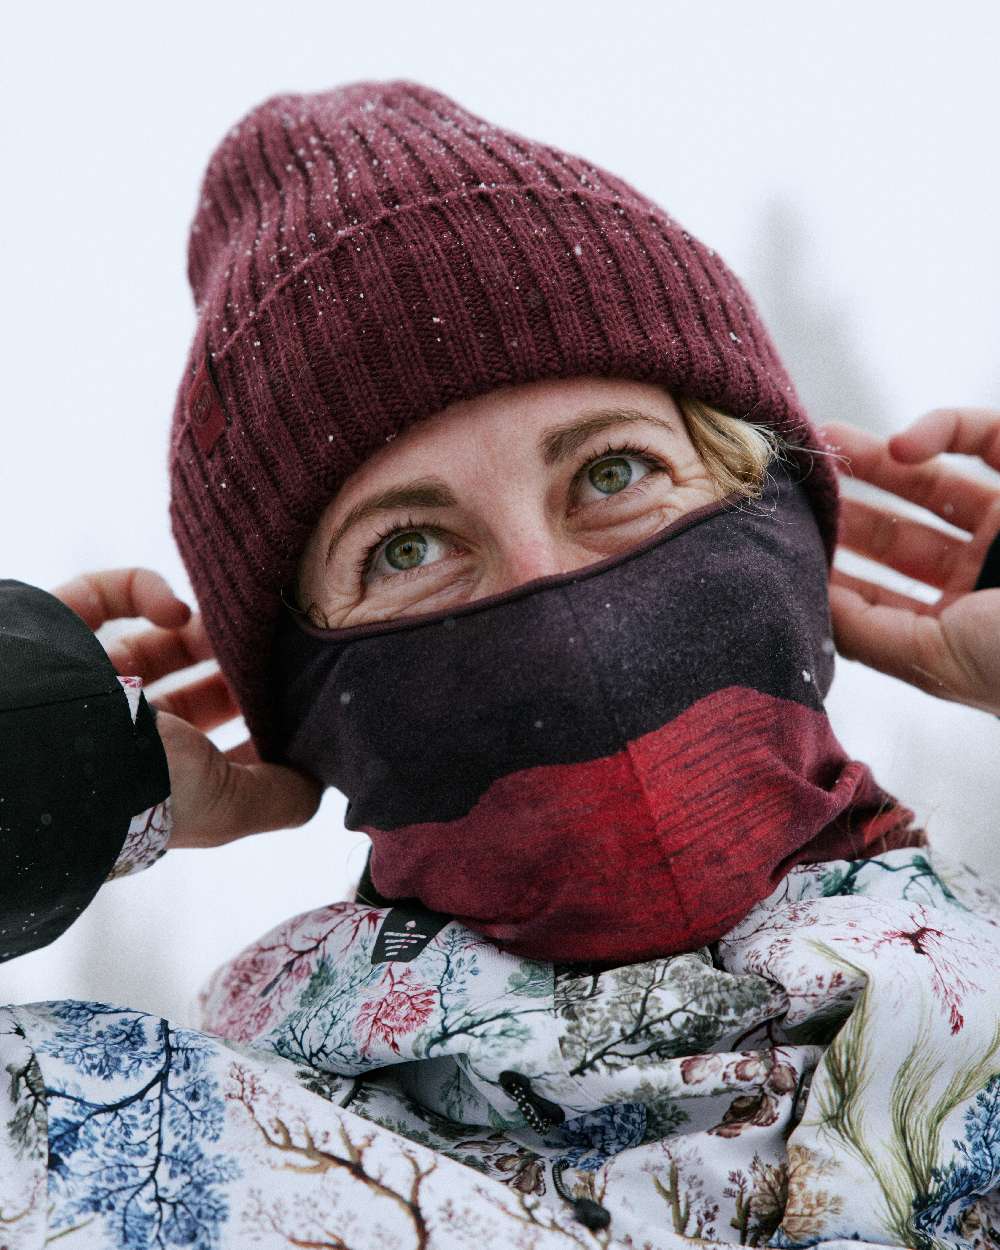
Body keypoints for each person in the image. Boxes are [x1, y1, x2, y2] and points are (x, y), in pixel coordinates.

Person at [3, 78, 1000, 1250]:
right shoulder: (124, 1163)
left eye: (612, 474)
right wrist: (35, 754)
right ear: (310, 701)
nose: (551, 606)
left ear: (777, 523)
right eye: (409, 549)